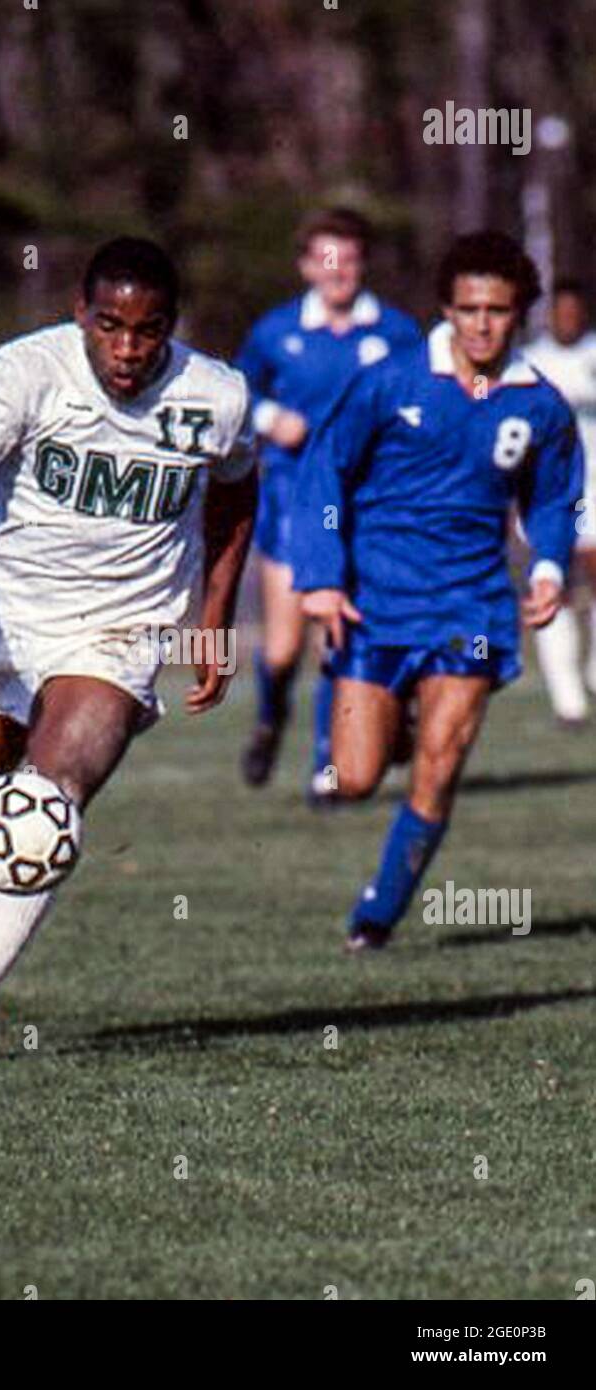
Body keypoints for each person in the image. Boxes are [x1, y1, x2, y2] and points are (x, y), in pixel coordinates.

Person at [0, 237, 257, 1060]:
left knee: (47, 804)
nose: (127, 349)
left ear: (172, 328)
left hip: (120, 632)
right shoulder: (22, 374)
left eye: (149, 329)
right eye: (111, 325)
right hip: (1, 622)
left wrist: (214, 618)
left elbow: (236, 492)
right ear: (79, 315)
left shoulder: (217, 397)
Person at [291, 232, 583, 950]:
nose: (481, 325)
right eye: (467, 309)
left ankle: (378, 912)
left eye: (497, 310)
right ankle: (394, 722)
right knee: (354, 777)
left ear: (521, 314)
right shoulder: (389, 383)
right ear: (445, 309)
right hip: (377, 603)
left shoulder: (539, 407)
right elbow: (324, 472)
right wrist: (322, 576)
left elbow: (551, 501)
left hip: (471, 605)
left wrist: (546, 569)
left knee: (443, 759)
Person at [235, 207, 420, 803]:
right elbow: (239, 393)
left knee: (335, 633)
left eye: (350, 258)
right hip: (292, 499)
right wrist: (270, 418)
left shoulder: (394, 332)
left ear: (363, 264)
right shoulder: (275, 331)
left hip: (363, 506)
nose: (339, 271)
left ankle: (327, 765)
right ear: (307, 266)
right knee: (284, 648)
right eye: (327, 259)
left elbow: (422, 401)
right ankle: (270, 717)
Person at [525, 281, 596, 723]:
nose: (567, 318)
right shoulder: (532, 362)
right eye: (559, 311)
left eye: (575, 311)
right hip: (549, 490)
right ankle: (567, 700)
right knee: (554, 583)